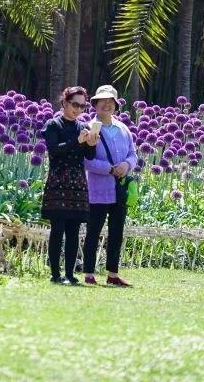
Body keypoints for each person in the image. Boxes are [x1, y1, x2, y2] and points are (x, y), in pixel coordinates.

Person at [80, 84, 138, 287]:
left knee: (117, 233)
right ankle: (88, 273)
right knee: (93, 232)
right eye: (102, 101)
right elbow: (86, 161)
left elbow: (133, 155)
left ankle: (113, 274)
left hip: (119, 190)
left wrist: (126, 165)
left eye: (111, 101)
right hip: (97, 190)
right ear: (95, 105)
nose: (107, 104)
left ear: (116, 105)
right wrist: (109, 169)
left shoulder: (123, 129)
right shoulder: (89, 128)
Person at [40, 86, 94, 285]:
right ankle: (55, 274)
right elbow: (54, 150)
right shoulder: (53, 125)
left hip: (78, 183)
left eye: (82, 106)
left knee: (74, 230)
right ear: (64, 103)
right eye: (74, 104)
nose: (78, 109)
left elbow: (89, 156)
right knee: (58, 229)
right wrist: (76, 141)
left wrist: (92, 143)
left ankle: (70, 274)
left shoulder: (83, 127)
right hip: (58, 181)